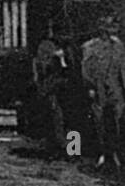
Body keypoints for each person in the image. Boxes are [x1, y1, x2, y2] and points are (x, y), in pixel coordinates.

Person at [80, 14, 125, 170]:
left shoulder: (119, 46)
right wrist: (90, 87)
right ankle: (102, 153)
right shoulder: (89, 47)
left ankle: (117, 154)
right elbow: (86, 70)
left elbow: (123, 68)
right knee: (99, 123)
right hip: (99, 88)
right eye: (108, 27)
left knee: (119, 121)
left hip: (115, 88)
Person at [34, 19, 72, 158]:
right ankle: (55, 149)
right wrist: (54, 58)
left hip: (65, 86)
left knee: (68, 118)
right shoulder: (46, 46)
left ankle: (72, 150)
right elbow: (42, 67)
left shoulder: (68, 47)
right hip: (51, 87)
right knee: (55, 117)